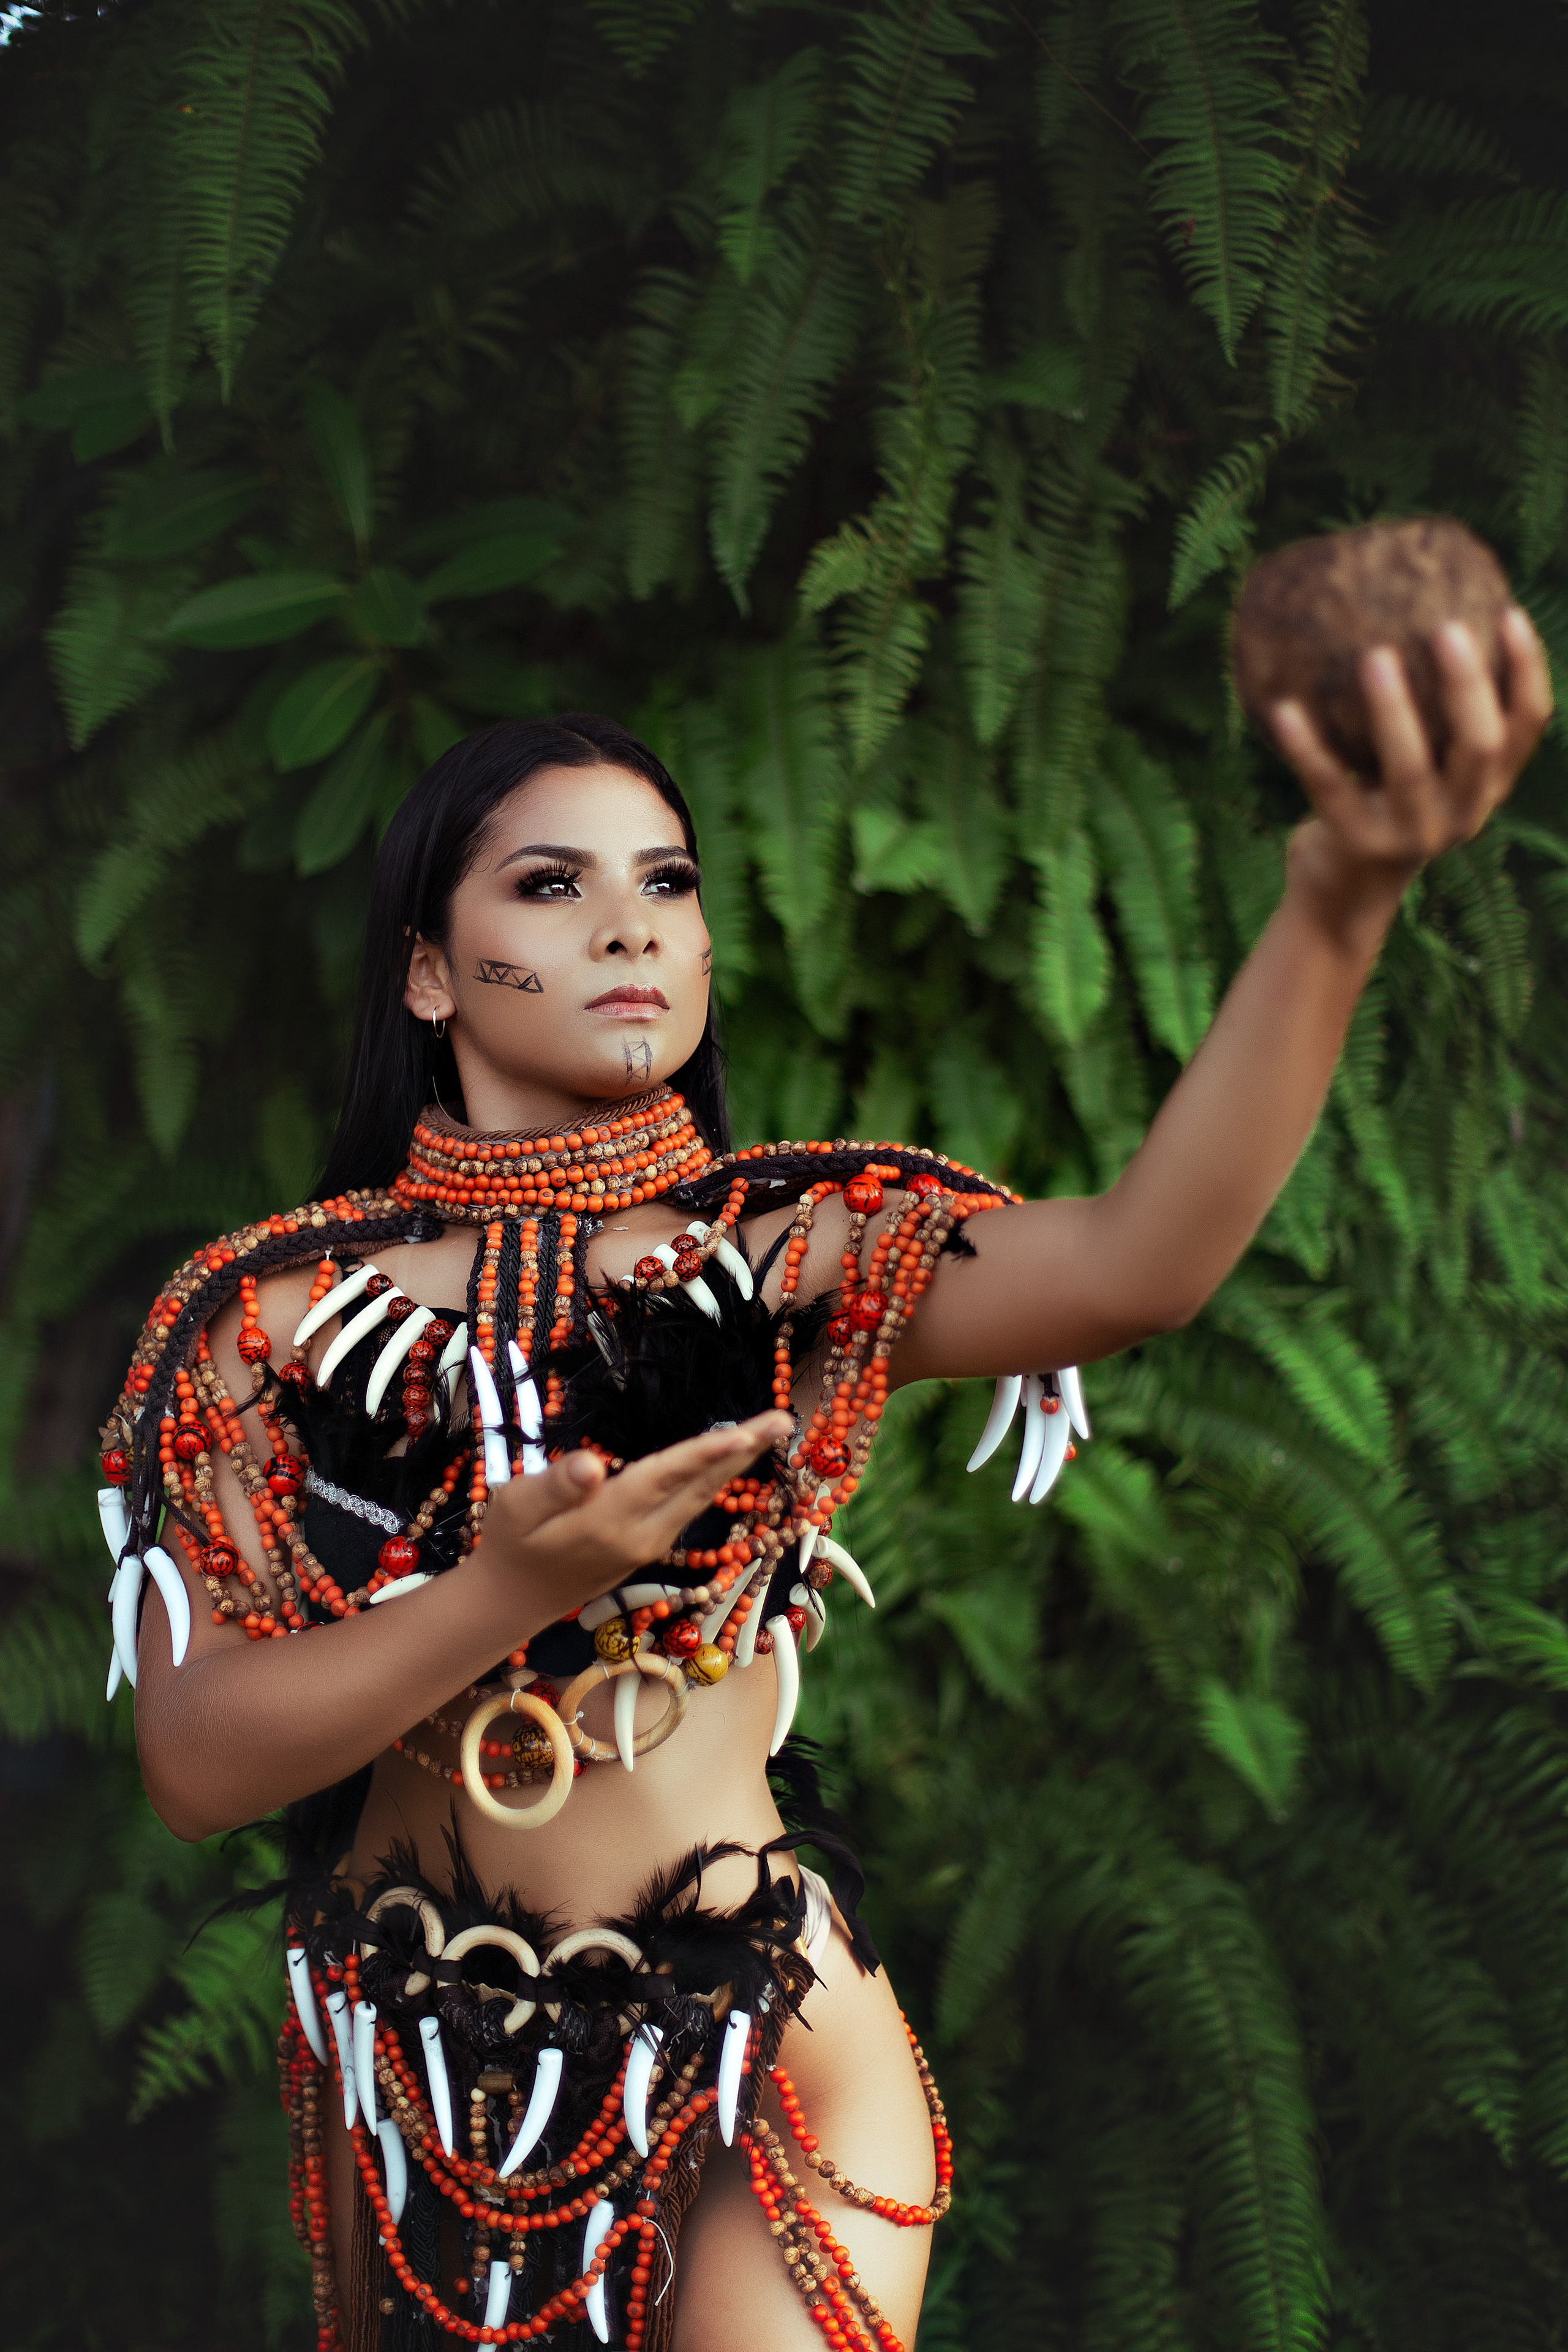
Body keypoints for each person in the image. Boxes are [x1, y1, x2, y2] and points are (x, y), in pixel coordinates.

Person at [101, 609, 1548, 2352]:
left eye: (670, 881)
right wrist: (505, 1597)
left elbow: (1148, 1259)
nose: (632, 923)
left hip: (756, 2047)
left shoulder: (795, 1256)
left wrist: (1337, 901)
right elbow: (195, 1766)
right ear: (429, 972)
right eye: (550, 887)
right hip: (412, 2057)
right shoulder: (260, 1326)